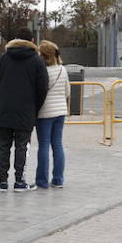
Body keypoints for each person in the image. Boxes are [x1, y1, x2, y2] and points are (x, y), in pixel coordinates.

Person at [0, 28, 48, 192]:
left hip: (4, 109)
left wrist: (2, 95)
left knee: (3, 146)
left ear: (14, 39)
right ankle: (20, 181)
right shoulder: (36, 61)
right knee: (22, 146)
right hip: (26, 110)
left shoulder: (3, 59)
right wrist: (35, 105)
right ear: (32, 42)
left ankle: (2, 182)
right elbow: (43, 88)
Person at [34, 41, 70, 190]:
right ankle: (58, 179)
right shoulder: (63, 70)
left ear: (43, 55)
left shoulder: (41, 71)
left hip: (44, 112)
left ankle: (42, 181)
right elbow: (68, 92)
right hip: (60, 111)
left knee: (43, 145)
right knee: (58, 145)